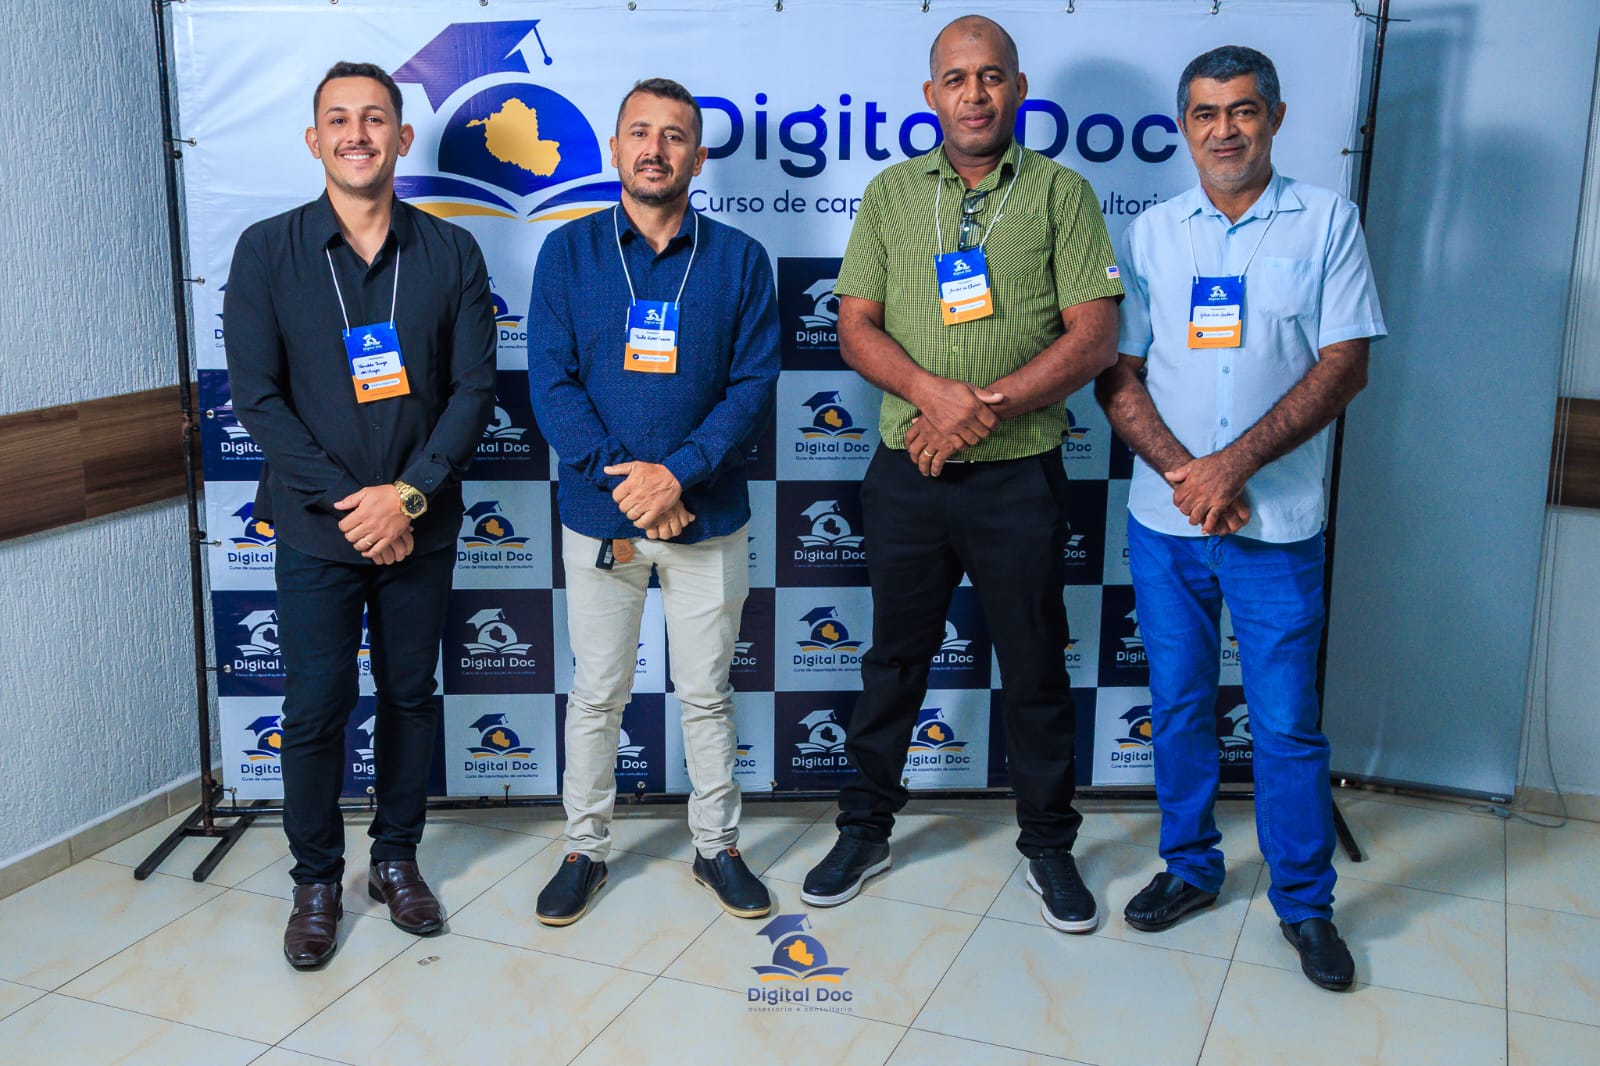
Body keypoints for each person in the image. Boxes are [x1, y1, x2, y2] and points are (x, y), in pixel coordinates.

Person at [801, 15, 1123, 934]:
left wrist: (984, 408)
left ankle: (1049, 845)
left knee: (1035, 668)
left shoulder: (1063, 193)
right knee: (892, 663)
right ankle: (864, 831)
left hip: (1019, 476)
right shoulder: (892, 193)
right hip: (909, 472)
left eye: (990, 76)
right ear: (930, 94)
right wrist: (933, 397)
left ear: (1017, 87)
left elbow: (1096, 335)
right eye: (956, 78)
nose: (973, 94)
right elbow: (855, 325)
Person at [1096, 45, 1386, 991]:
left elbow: (1346, 364)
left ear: (1276, 117)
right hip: (1167, 519)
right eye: (1206, 113)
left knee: (1286, 724)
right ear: (1184, 127)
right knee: (1179, 705)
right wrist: (1190, 476)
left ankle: (1305, 905)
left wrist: (1234, 467)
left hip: (1278, 523)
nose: (1225, 130)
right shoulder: (1152, 233)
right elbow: (1118, 374)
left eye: (1244, 110)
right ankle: (1190, 868)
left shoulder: (1327, 220)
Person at [224, 61, 496, 969]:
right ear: (314, 140)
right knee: (315, 706)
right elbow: (258, 398)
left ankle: (395, 861)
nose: (357, 134)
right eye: (338, 119)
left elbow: (473, 390)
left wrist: (406, 497)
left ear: (402, 137)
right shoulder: (267, 251)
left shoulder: (452, 252)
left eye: (374, 118)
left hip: (423, 524)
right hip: (316, 527)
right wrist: (357, 506)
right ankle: (315, 881)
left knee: (411, 696)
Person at [527, 78, 781, 925]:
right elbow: (551, 383)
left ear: (698, 158)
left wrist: (679, 475)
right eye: (639, 132)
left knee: (706, 693)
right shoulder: (568, 253)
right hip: (602, 518)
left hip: (708, 514)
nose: (655, 149)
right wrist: (632, 483)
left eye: (674, 136)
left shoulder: (740, 258)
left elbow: (752, 386)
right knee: (598, 693)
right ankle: (584, 849)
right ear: (614, 148)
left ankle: (718, 847)